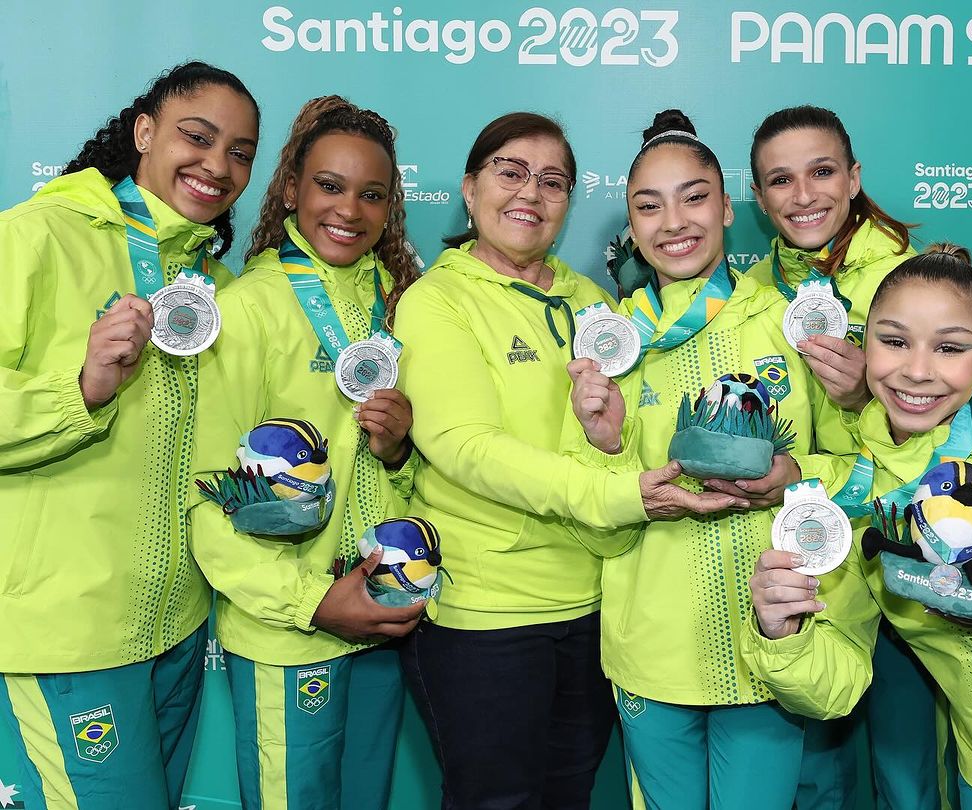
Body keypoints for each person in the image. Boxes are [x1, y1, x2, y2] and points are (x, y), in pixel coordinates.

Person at [392, 111, 741, 809]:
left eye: (553, 181)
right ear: (469, 188)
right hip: (485, 617)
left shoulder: (593, 302)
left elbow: (616, 435)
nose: (531, 192)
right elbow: (466, 448)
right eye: (510, 172)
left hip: (594, 609)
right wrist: (623, 496)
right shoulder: (438, 301)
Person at [568, 109, 845, 810]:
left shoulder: (792, 321)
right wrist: (604, 443)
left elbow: (856, 467)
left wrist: (798, 476)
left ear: (727, 207)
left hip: (769, 643)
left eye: (694, 197)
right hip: (649, 648)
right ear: (630, 226)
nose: (673, 222)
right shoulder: (610, 344)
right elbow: (590, 499)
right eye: (647, 206)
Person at [0, 62, 259, 808]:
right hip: (67, 631)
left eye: (239, 152)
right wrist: (79, 389)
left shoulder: (217, 287)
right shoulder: (36, 235)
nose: (217, 165)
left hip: (174, 629)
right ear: (144, 132)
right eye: (197, 137)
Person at [742, 244, 972, 810]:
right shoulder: (861, 501)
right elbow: (839, 684)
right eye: (894, 341)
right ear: (864, 346)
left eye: (950, 348)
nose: (917, 371)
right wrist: (785, 634)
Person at [189, 96, 422, 810]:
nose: (349, 209)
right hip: (291, 631)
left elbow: (412, 474)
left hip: (382, 617)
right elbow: (207, 493)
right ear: (292, 187)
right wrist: (313, 602)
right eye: (330, 185)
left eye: (371, 193)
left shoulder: (401, 300)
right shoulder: (249, 308)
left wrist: (397, 450)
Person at [745, 105, 938, 810]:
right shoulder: (752, 296)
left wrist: (870, 396)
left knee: (907, 771)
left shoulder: (915, 279)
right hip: (811, 554)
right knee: (809, 772)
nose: (803, 196)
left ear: (854, 177)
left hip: (904, 550)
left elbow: (964, 431)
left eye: (822, 172)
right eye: (780, 180)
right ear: (759, 197)